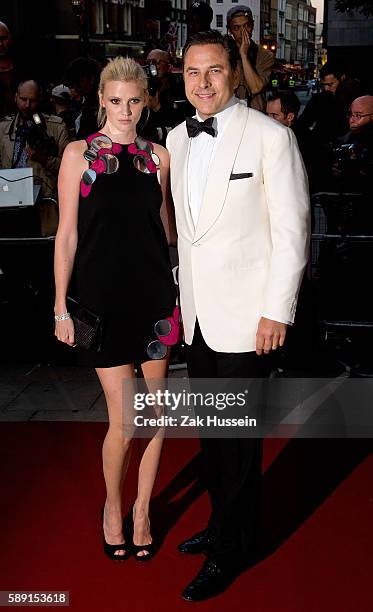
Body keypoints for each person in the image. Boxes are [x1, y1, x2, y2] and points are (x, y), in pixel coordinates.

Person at [166, 31, 310, 601]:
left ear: (234, 73)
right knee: (212, 439)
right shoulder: (176, 139)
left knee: (238, 442)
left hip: (251, 319)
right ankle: (229, 526)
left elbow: (293, 232)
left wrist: (277, 311)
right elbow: (184, 233)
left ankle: (231, 551)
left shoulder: (271, 138)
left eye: (214, 71)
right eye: (192, 72)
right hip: (199, 315)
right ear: (181, 78)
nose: (202, 83)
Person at [54, 57, 177, 561]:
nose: (125, 110)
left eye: (134, 100)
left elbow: (166, 232)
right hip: (101, 302)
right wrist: (61, 308)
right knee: (125, 421)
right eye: (115, 101)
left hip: (153, 298)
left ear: (145, 101)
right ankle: (113, 508)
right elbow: (66, 235)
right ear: (102, 100)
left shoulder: (160, 157)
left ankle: (143, 510)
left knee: (158, 417)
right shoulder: (78, 154)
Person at [0, 79, 70, 235]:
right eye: (23, 99)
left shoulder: (56, 127)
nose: (27, 105)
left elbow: (68, 168)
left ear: (40, 100)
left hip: (43, 205)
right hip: (8, 204)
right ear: (15, 97)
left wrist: (44, 159)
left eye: (32, 101)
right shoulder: (4, 128)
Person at [227, 5, 274, 112]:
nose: (243, 32)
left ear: (252, 26)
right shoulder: (224, 54)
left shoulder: (265, 55)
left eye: (246, 26)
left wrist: (244, 55)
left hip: (255, 115)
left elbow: (256, 87)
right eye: (237, 28)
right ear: (230, 31)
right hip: (230, 113)